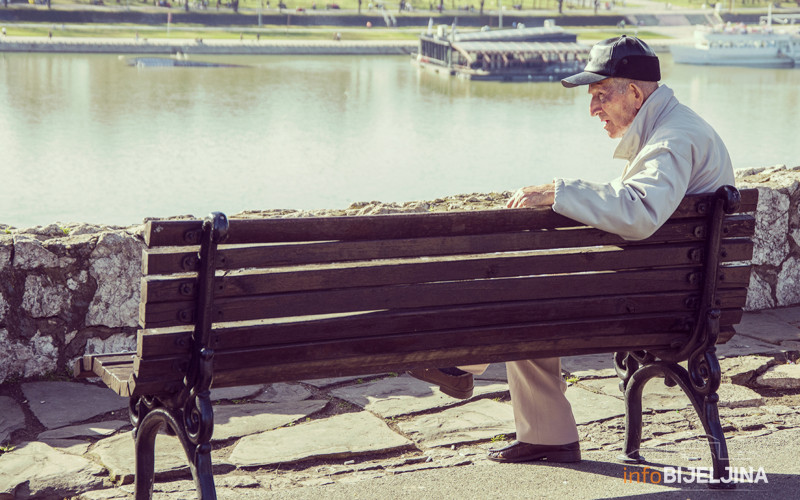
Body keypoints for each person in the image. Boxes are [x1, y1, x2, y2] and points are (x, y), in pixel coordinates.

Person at [408, 35, 734, 464]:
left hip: (666, 311)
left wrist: (559, 191)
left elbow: (639, 210)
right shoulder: (677, 128)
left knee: (534, 296)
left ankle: (462, 364)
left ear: (634, 93)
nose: (593, 108)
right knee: (539, 292)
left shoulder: (672, 139)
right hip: (680, 297)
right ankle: (543, 433)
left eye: (601, 94)